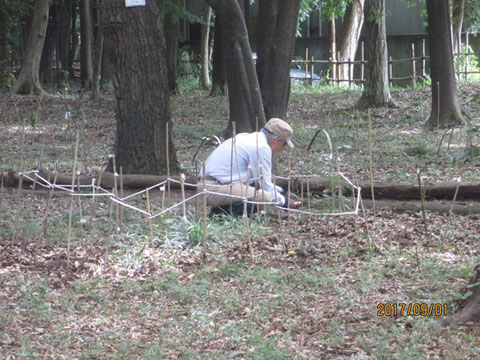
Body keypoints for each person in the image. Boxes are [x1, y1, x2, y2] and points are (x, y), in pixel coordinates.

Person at [199, 118, 300, 216]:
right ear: (278, 141)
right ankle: (221, 215)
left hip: (208, 184)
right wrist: (285, 201)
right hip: (213, 188)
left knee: (253, 186)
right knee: (265, 197)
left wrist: (282, 192)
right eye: (285, 144)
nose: (282, 149)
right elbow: (266, 187)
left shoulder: (248, 138)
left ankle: (221, 211)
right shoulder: (261, 147)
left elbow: (258, 181)